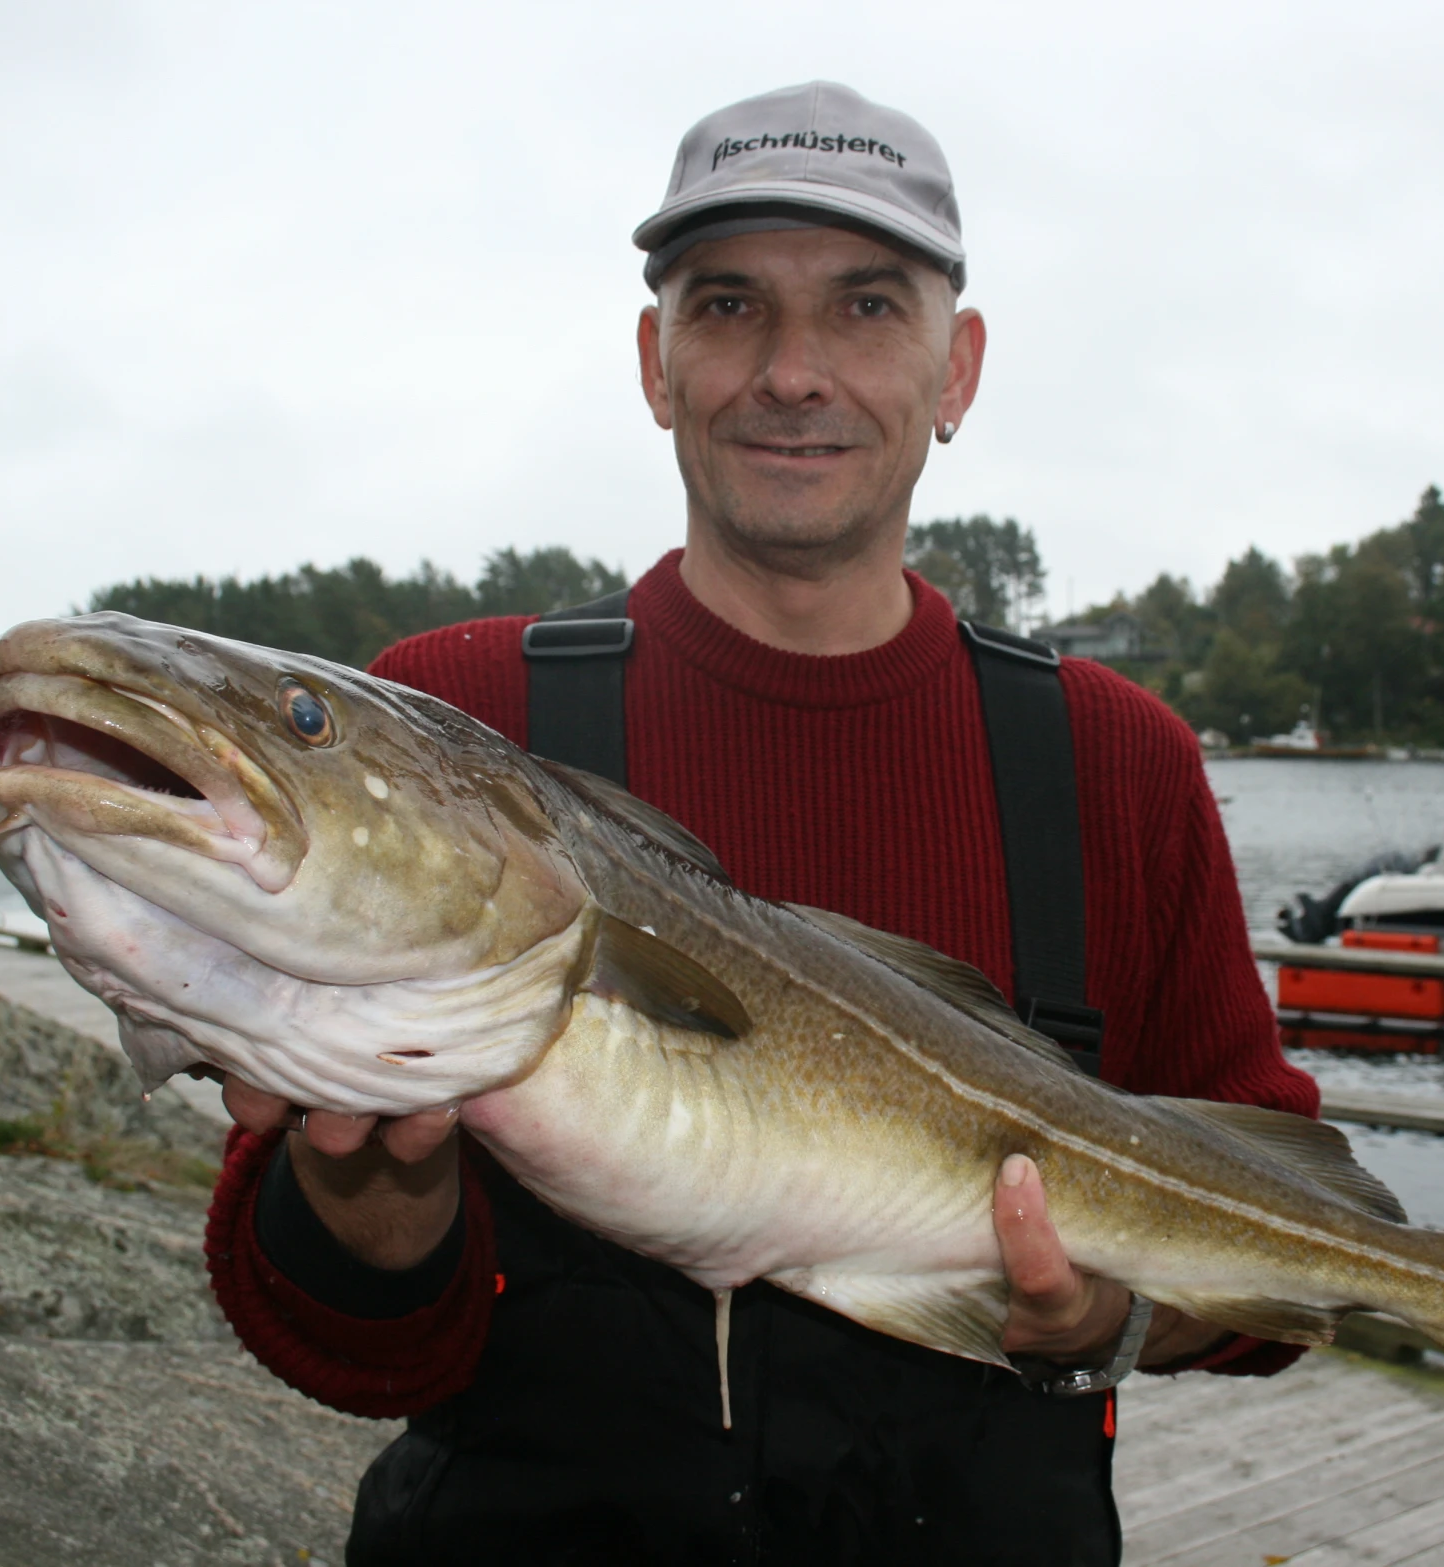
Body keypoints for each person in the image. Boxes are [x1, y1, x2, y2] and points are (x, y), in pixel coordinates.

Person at [203, 81, 1318, 1565]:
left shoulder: (1116, 759)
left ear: (957, 367)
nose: (794, 371)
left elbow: (1276, 1291)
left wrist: (1107, 1316)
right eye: (727, 306)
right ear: (656, 362)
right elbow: (341, 1343)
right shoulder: (444, 726)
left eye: (865, 306)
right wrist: (365, 1188)